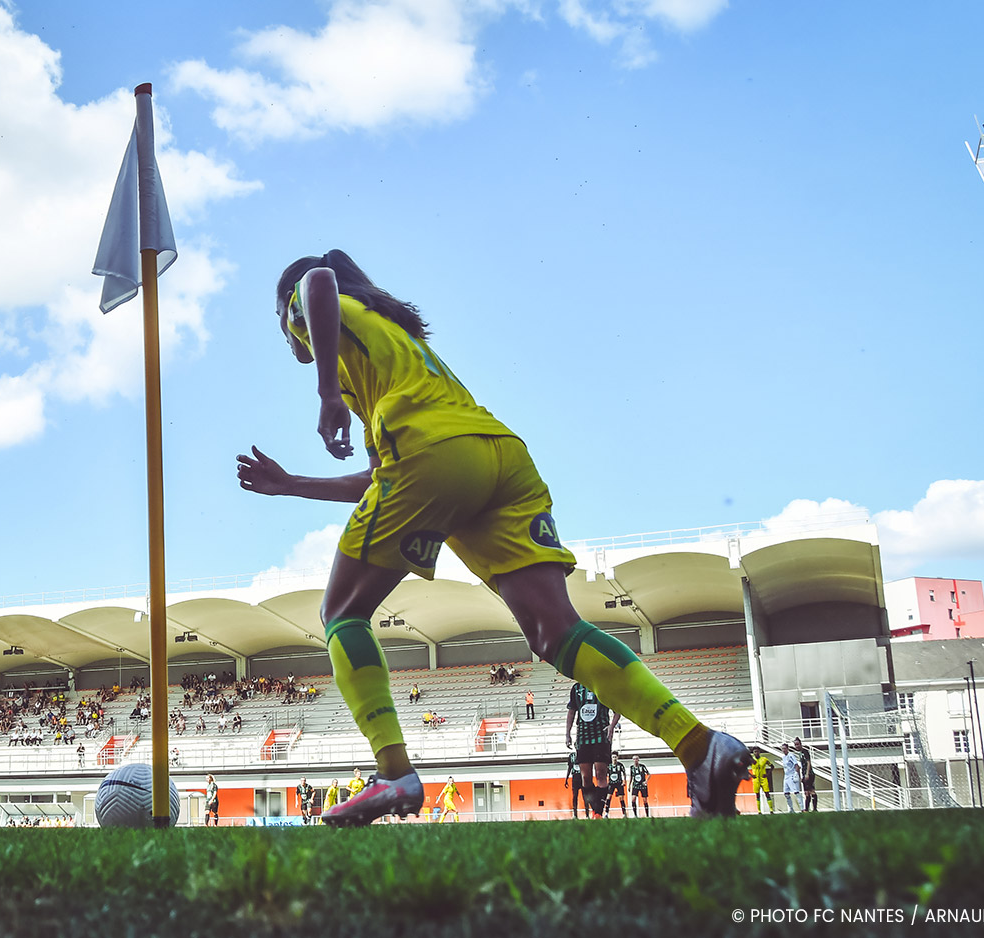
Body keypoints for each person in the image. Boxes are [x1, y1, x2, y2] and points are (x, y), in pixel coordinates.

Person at [237, 251, 751, 826]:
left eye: (287, 327)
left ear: (289, 312)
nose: (291, 340)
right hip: (497, 456)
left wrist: (325, 390)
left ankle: (393, 773)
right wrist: (290, 485)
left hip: (432, 456)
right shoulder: (392, 346)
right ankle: (700, 746)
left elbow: (318, 280)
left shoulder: (321, 311)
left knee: (342, 614)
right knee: (557, 631)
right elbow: (380, 478)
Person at [566, 681, 619, 818]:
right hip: (583, 736)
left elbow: (618, 710)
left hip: (601, 735)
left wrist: (611, 726)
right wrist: (567, 734)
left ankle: (598, 813)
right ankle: (596, 808)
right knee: (586, 777)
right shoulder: (576, 688)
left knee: (601, 773)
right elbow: (571, 712)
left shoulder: (604, 686)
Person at [781, 739, 804, 813]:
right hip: (786, 776)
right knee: (786, 793)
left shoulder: (791, 755)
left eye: (784, 748)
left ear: (787, 749)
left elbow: (796, 765)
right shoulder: (783, 757)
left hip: (791, 776)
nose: (783, 750)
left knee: (796, 792)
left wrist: (796, 774)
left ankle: (802, 808)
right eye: (782, 749)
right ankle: (791, 809)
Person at [750, 748, 774, 814]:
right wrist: (751, 775)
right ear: (753, 752)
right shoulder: (751, 760)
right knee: (757, 795)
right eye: (755, 752)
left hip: (763, 779)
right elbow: (743, 767)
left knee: (767, 793)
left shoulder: (764, 759)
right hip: (756, 779)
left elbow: (772, 766)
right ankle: (759, 811)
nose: (756, 753)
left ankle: (771, 810)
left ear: (759, 752)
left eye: (757, 751)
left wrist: (768, 774)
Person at [799, 743, 818, 812]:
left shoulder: (805, 752)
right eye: (795, 745)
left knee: (811, 791)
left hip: (809, 774)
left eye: (798, 744)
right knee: (806, 792)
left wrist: (807, 774)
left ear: (800, 744)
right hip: (804, 774)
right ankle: (806, 809)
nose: (796, 746)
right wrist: (802, 776)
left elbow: (808, 762)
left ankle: (815, 808)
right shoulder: (800, 753)